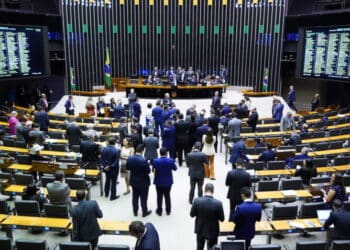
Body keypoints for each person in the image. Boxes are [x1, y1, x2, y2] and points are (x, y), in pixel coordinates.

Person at [190, 183, 225, 250]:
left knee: (199, 247)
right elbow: (222, 219)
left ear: (204, 190)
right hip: (213, 230)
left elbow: (192, 215)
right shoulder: (218, 203)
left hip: (200, 228)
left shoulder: (197, 201)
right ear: (213, 191)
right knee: (213, 247)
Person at [126, 144, 152, 217]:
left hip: (134, 180)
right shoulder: (144, 160)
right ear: (142, 151)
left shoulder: (130, 158)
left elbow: (127, 168)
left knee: (135, 197)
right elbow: (148, 171)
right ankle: (144, 212)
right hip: (143, 181)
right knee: (144, 198)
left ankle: (135, 211)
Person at [153, 147, 177, 216]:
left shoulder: (155, 161)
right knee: (167, 196)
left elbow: (153, 170)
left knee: (159, 196)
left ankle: (159, 211)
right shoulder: (170, 160)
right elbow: (175, 168)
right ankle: (168, 210)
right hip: (168, 181)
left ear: (159, 153)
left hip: (158, 181)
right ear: (167, 153)